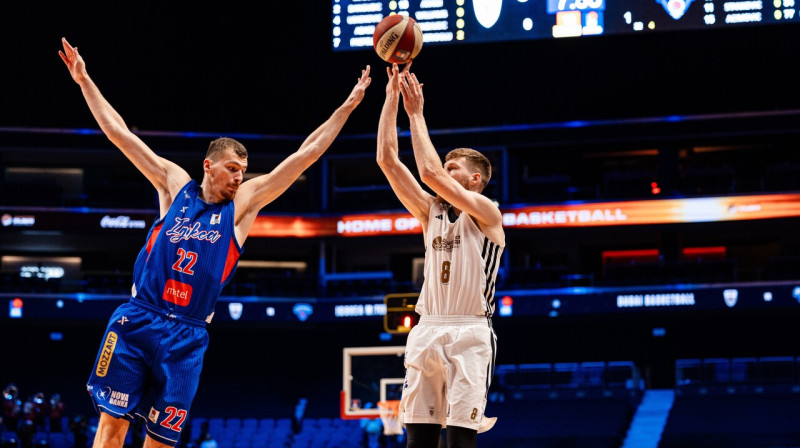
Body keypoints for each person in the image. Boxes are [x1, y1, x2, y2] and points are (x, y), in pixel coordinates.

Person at [58, 37, 371, 448]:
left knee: (160, 441)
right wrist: (84, 80)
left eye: (243, 170)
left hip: (188, 335)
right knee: (111, 426)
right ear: (208, 165)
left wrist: (346, 107)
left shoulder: (242, 206)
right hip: (139, 318)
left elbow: (304, 155)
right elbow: (119, 134)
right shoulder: (173, 186)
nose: (240, 176)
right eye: (232, 169)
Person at [376, 63, 505, 448]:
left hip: (471, 331)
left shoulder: (488, 213)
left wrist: (417, 113)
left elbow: (430, 173)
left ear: (474, 180)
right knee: (418, 440)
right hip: (427, 326)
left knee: (461, 442)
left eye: (455, 169)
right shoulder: (428, 210)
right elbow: (387, 159)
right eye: (447, 166)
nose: (446, 173)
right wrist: (391, 99)